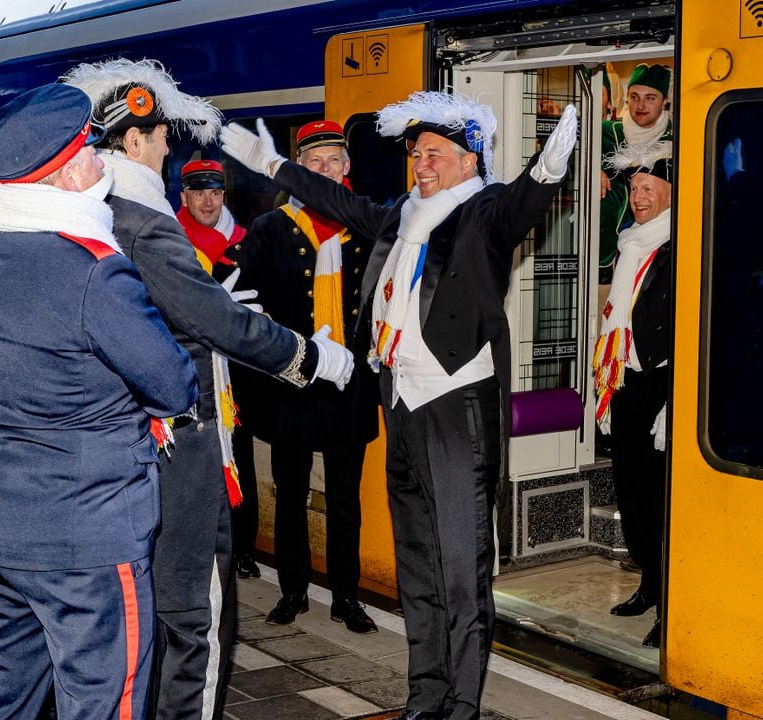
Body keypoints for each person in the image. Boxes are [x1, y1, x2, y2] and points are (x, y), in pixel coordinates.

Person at [222, 90, 578, 720]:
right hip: (402, 402)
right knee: (417, 561)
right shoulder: (401, 214)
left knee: (463, 570)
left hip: (454, 402)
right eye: (416, 154)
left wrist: (548, 169)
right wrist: (274, 165)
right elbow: (334, 199)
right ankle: (426, 694)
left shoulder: (480, 211)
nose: (421, 165)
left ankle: (461, 706)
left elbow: (520, 208)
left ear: (470, 161)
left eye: (435, 154)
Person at [60, 58, 354, 720]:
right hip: (179, 451)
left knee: (146, 621)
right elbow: (214, 321)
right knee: (199, 619)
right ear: (135, 137)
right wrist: (312, 358)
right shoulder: (143, 216)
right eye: (162, 134)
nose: (168, 145)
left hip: (124, 449)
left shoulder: (98, 211)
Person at [0, 81, 197, 720]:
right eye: (88, 153)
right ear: (63, 176)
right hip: (88, 537)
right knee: (104, 704)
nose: (101, 163)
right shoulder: (92, 268)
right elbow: (170, 383)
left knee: (5, 701)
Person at [227, 119, 380, 634]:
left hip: (349, 386)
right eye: (313, 163)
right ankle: (293, 590)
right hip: (291, 383)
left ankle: (346, 596)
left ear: (348, 166)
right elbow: (251, 311)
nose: (325, 170)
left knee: (344, 498)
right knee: (289, 493)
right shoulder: (271, 229)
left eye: (333, 161)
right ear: (297, 170)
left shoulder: (366, 225)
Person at [594, 141, 674, 649]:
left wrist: (675, 401)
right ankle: (648, 584)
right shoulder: (630, 244)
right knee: (631, 494)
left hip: (662, 387)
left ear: (671, 194)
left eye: (649, 188)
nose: (638, 197)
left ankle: (672, 602)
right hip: (623, 380)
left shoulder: (681, 246)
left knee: (664, 502)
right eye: (634, 187)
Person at [174, 158, 262, 581]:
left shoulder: (244, 243)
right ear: (184, 196)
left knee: (239, 457)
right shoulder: (169, 240)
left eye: (215, 193)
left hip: (238, 373)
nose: (208, 202)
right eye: (199, 193)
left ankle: (243, 547)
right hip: (190, 372)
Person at [599, 64, 671, 296]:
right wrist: (587, 171)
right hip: (601, 263)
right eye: (634, 97)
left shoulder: (680, 138)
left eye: (650, 98)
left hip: (657, 262)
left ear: (664, 101)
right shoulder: (603, 133)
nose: (640, 105)